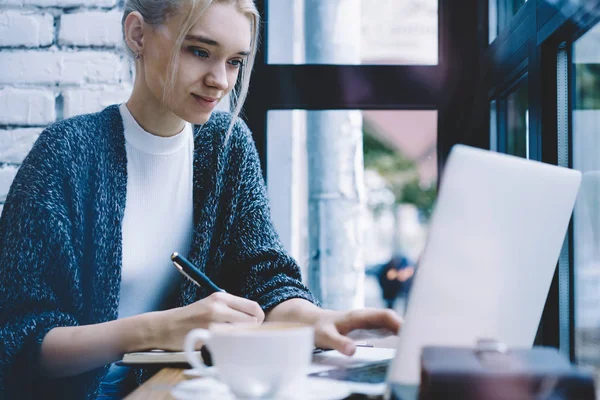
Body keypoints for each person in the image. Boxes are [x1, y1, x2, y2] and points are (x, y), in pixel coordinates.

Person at [0, 0, 402, 398]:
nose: (220, 81)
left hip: (183, 388)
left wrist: (318, 321)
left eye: (234, 62)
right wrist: (160, 329)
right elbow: (18, 339)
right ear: (137, 34)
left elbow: (263, 278)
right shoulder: (66, 154)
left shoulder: (226, 146)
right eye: (200, 52)